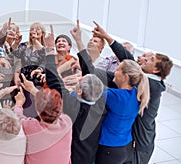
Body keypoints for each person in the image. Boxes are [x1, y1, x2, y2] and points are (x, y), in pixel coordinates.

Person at [73, 20, 173, 164]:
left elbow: (127, 63)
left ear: (156, 70)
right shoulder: (135, 88)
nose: (143, 58)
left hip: (138, 146)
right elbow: (121, 66)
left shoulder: (152, 86)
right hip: (124, 145)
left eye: (150, 59)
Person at [30, 26, 107, 163]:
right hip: (89, 157)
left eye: (79, 82)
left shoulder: (74, 107)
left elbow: (55, 82)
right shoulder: (101, 104)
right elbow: (90, 70)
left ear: (80, 91)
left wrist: (48, 49)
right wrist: (78, 40)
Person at [95, 59, 150, 164]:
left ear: (126, 77)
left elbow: (90, 93)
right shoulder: (137, 93)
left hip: (109, 149)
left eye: (118, 69)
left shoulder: (115, 96)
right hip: (126, 147)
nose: (114, 72)